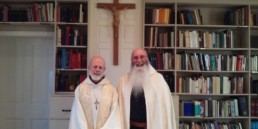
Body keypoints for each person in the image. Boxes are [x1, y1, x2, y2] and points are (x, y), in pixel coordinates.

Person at [117, 48, 177, 129]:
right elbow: (118, 108)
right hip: (130, 126)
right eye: (135, 57)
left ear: (147, 58)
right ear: (131, 60)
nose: (139, 60)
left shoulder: (158, 79)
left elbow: (165, 108)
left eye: (142, 57)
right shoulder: (123, 81)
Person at [69, 56, 121, 129]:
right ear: (89, 68)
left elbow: (114, 115)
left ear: (104, 70)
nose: (97, 70)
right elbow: (77, 115)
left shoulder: (112, 90)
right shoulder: (80, 89)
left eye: (100, 67)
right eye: (95, 67)